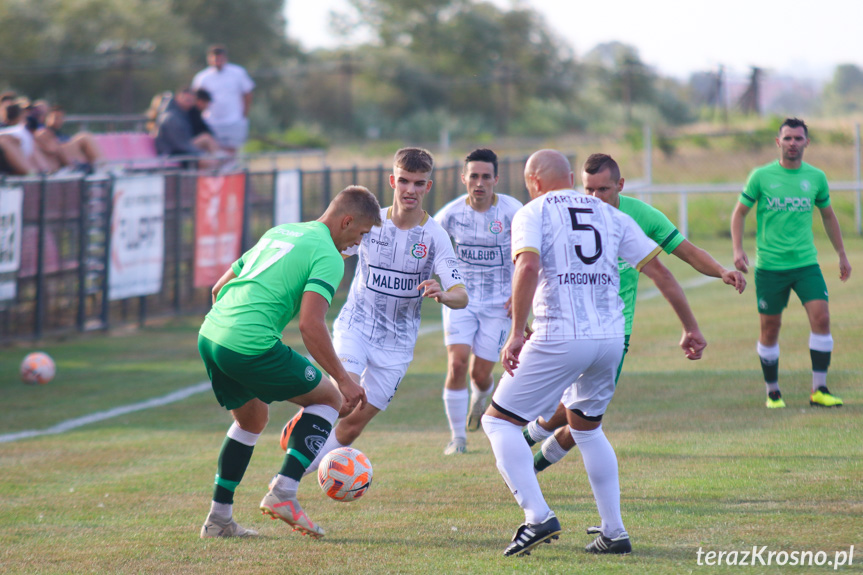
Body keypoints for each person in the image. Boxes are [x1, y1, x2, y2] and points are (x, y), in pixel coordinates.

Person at [481, 149, 707, 557]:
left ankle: (538, 517)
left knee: (497, 422)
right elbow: (661, 272)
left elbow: (527, 268)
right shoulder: (612, 214)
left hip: (560, 334)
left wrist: (516, 333)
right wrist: (690, 327)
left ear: (532, 181)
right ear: (570, 176)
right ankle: (615, 532)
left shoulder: (532, 212)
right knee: (587, 429)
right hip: (609, 338)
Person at [524, 153, 746, 471]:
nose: (595, 198)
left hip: (615, 331)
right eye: (588, 190)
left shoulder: (638, 216)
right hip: (567, 326)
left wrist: (722, 271)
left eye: (603, 189)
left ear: (620, 186)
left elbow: (688, 252)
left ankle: (528, 466)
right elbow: (540, 267)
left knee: (580, 421)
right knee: (566, 409)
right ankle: (520, 452)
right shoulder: (569, 214)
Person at [197, 185, 381, 539]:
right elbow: (311, 325)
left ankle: (219, 519)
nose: (357, 245)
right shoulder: (327, 255)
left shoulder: (282, 231)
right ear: (346, 221)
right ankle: (284, 492)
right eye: (360, 234)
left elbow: (220, 287)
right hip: (248, 342)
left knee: (253, 419)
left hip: (211, 333)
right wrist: (343, 379)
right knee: (330, 399)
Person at [281, 148, 468, 474]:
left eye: (419, 183)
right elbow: (329, 247)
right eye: (405, 181)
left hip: (397, 344)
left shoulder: (435, 236)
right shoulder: (371, 224)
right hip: (357, 325)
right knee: (344, 398)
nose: (410, 190)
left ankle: (301, 444)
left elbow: (461, 296)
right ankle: (285, 484)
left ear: (429, 187)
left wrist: (443, 294)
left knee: (351, 426)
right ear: (393, 181)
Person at [731, 118, 851, 409]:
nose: (793, 143)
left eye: (798, 138)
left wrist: (842, 254)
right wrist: (738, 249)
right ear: (778, 142)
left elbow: (828, 216)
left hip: (806, 264)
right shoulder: (761, 177)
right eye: (788, 138)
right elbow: (739, 214)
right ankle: (773, 391)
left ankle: (819, 389)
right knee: (770, 328)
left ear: (807, 143)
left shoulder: (817, 178)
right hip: (770, 267)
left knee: (821, 318)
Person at [433, 148, 522, 455]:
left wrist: (520, 293)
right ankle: (457, 438)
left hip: (500, 304)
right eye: (474, 176)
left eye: (486, 176)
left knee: (479, 374)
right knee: (457, 363)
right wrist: (435, 279)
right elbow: (429, 248)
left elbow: (531, 256)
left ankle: (480, 397)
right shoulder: (450, 215)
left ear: (496, 179)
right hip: (462, 300)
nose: (480, 182)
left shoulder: (513, 213)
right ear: (464, 179)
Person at [191, 44, 254, 153]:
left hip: (234, 120)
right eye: (214, 58)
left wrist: (243, 115)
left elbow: (247, 94)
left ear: (225, 58)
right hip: (211, 121)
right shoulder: (202, 77)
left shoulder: (238, 72)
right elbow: (196, 99)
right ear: (209, 59)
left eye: (220, 58)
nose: (217, 61)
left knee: (234, 152)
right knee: (215, 151)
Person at [154, 89, 220, 167]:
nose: (190, 103)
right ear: (178, 98)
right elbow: (179, 145)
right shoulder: (171, 117)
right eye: (187, 100)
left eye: (192, 101)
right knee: (209, 162)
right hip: (170, 153)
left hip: (180, 149)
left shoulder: (182, 113)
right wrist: (200, 153)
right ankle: (221, 164)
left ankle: (221, 159)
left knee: (206, 140)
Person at [34, 106, 102, 174]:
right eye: (56, 117)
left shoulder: (60, 134)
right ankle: (81, 167)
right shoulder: (43, 132)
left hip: (69, 157)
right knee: (80, 139)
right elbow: (53, 149)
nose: (58, 121)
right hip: (61, 162)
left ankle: (100, 165)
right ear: (47, 118)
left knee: (85, 136)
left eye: (61, 118)